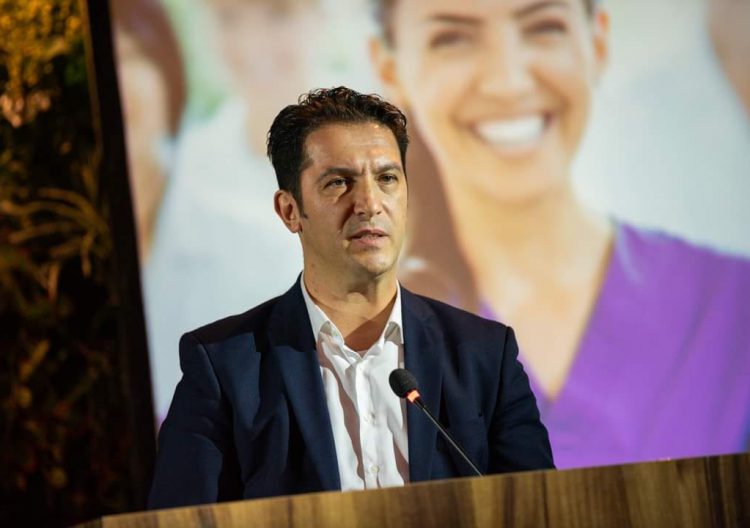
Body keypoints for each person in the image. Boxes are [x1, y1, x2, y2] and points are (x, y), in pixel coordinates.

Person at [369, 0, 750, 469]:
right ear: (390, 70)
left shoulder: (732, 307)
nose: (507, 81)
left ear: (597, 41)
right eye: (452, 38)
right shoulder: (364, 344)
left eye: (543, 27)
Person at [147, 87, 554, 508]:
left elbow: (543, 509)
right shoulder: (225, 369)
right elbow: (179, 518)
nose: (369, 203)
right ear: (290, 211)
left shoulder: (484, 355)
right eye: (339, 182)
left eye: (387, 179)